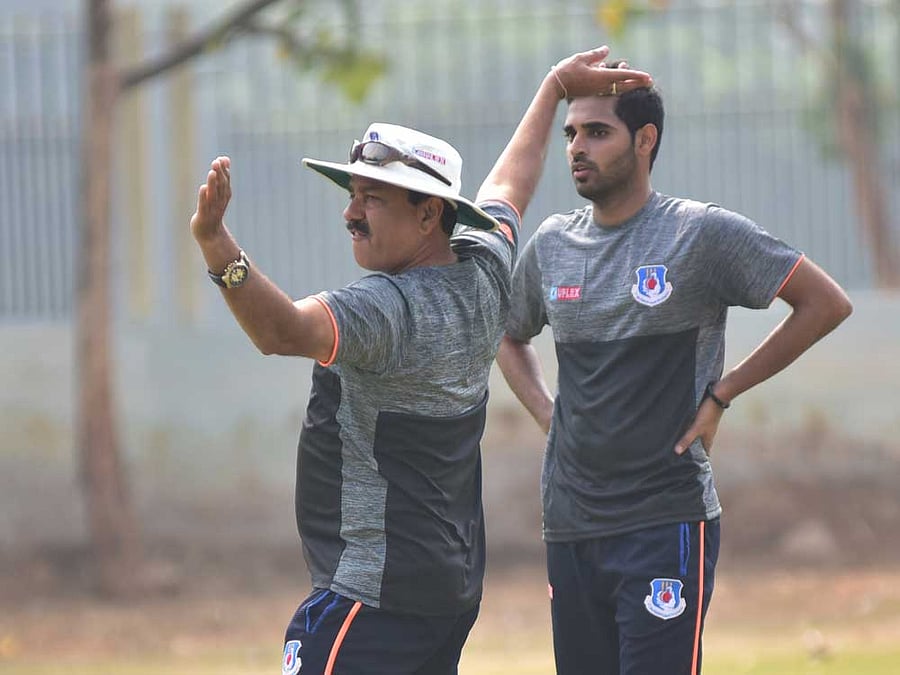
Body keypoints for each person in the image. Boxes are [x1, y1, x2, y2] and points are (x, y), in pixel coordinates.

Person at [189, 48, 651, 675]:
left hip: (369, 600)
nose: (350, 213)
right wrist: (553, 90)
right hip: (445, 595)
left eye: (373, 198)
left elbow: (280, 331)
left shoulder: (386, 310)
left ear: (430, 213)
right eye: (353, 194)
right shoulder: (486, 268)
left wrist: (220, 249)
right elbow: (510, 186)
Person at [496, 61, 853, 675]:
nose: (577, 148)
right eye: (571, 134)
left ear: (645, 141)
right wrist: (548, 412)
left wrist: (724, 393)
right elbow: (507, 333)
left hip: (664, 521)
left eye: (597, 133)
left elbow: (825, 303)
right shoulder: (552, 244)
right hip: (571, 524)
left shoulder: (699, 234)